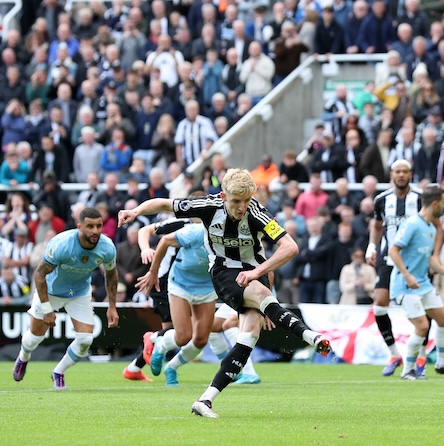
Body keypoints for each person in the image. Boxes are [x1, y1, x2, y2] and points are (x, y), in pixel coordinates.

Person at [118, 168, 332, 419]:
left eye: (246, 200)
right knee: (260, 301)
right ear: (223, 196)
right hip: (225, 273)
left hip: (254, 272)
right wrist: (135, 211)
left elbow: (291, 247)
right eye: (236, 201)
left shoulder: (257, 213)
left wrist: (257, 272)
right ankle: (311, 336)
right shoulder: (207, 206)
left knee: (247, 339)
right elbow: (164, 203)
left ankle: (205, 400)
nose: (242, 207)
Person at [13, 207, 119, 389]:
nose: (95, 231)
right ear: (79, 226)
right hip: (51, 291)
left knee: (86, 340)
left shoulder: (107, 247)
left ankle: (58, 372)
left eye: (99, 226)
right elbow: (39, 275)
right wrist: (47, 308)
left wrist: (112, 306)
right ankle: (24, 356)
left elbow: (111, 275)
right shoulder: (61, 244)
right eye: (90, 226)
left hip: (79, 292)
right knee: (34, 338)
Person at [388, 184, 444, 380]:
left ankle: (442, 363)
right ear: (435, 203)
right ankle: (408, 370)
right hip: (405, 286)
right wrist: (407, 275)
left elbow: (428, 258)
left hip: (422, 284)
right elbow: (393, 251)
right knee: (422, 327)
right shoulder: (412, 224)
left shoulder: (430, 227)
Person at [135, 218, 217, 387]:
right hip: (180, 283)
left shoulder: (231, 237)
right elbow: (164, 240)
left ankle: (171, 368)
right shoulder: (194, 231)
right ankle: (159, 345)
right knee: (183, 336)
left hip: (207, 287)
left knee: (201, 339)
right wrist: (153, 271)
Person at [366, 160, 424, 376]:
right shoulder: (382, 200)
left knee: (421, 308)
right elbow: (377, 226)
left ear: (411, 174)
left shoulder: (419, 198)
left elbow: (432, 226)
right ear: (392, 174)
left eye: (405, 171)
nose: (401, 175)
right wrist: (372, 246)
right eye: (397, 171)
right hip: (388, 259)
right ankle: (394, 354)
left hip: (415, 261)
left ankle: (420, 358)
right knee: (379, 306)